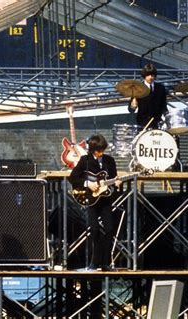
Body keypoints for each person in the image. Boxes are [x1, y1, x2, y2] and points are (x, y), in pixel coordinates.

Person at [69, 134, 122, 271]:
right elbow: (73, 178)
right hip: (91, 200)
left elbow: (113, 179)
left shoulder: (110, 161)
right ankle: (94, 261)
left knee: (110, 229)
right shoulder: (84, 160)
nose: (101, 153)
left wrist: (117, 183)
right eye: (98, 151)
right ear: (93, 150)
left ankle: (105, 262)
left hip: (105, 199)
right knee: (94, 230)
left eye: (102, 150)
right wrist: (87, 183)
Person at [128, 63, 167, 129]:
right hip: (142, 123)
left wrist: (166, 116)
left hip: (157, 123)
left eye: (152, 75)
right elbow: (130, 109)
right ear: (144, 75)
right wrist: (133, 106)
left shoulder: (161, 88)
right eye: (148, 75)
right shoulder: (138, 88)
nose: (150, 77)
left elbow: (163, 105)